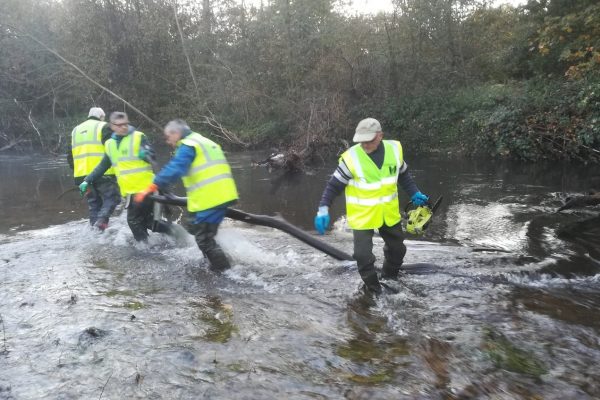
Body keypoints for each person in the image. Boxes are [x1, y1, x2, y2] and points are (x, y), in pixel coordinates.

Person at [314, 118, 429, 295]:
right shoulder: (351, 158)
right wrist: (323, 208)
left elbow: (403, 174)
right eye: (362, 141)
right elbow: (333, 186)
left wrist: (414, 193)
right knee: (362, 256)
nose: (365, 144)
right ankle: (373, 289)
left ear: (380, 136)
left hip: (388, 213)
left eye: (369, 140)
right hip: (363, 216)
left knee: (398, 250)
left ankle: (389, 278)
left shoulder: (394, 150)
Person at [134, 119, 239, 271]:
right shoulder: (204, 141)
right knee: (198, 231)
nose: (167, 140)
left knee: (204, 240)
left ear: (176, 133)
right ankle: (214, 262)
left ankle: (225, 273)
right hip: (223, 194)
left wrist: (151, 186)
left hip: (211, 197)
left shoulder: (189, 146)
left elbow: (175, 168)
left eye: (168, 137)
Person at [80, 112, 171, 241]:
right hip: (130, 191)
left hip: (145, 189)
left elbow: (152, 156)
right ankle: (174, 235)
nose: (124, 127)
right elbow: (103, 166)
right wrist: (87, 180)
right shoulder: (110, 144)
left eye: (125, 124)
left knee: (134, 221)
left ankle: (145, 248)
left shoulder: (138, 137)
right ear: (112, 126)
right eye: (120, 125)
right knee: (149, 222)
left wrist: (145, 154)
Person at [67, 107, 121, 231]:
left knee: (94, 204)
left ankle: (95, 232)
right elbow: (112, 150)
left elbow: (70, 155)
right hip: (103, 173)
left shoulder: (75, 130)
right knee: (113, 198)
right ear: (102, 116)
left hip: (82, 176)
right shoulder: (104, 126)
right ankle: (101, 222)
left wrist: (77, 172)